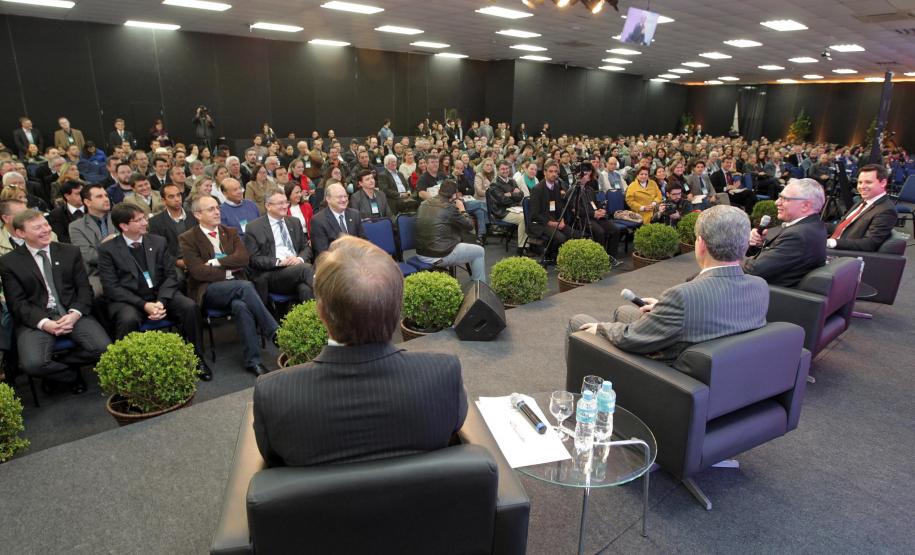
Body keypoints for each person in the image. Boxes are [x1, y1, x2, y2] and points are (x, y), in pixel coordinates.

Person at [252, 235, 467, 466]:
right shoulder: (444, 375)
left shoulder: (274, 395)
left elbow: (272, 462)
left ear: (321, 313)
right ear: (399, 308)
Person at [569, 205, 768, 363]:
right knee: (624, 311)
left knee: (579, 322)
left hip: (667, 375)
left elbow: (631, 338)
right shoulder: (759, 286)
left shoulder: (683, 297)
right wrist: (663, 309)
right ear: (744, 244)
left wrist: (601, 328)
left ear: (701, 244)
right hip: (720, 371)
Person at [0, 209, 111, 393]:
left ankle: (58, 364)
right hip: (36, 319)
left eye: (46, 224)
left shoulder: (69, 252)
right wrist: (45, 323)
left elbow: (84, 289)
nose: (46, 230)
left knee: (104, 348)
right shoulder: (10, 262)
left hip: (72, 313)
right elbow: (17, 304)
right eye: (37, 228)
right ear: (20, 233)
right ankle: (70, 376)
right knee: (33, 364)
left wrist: (74, 314)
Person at [98, 204, 209, 379]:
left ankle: (197, 358)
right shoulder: (108, 250)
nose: (145, 222)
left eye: (144, 217)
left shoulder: (158, 242)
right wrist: (144, 305)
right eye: (138, 220)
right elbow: (111, 287)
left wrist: (160, 302)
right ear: (124, 226)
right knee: (128, 320)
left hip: (160, 295)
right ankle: (130, 372)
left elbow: (171, 276)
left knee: (189, 307)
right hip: (130, 300)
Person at [179, 195, 279, 377]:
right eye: (211, 209)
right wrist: (228, 271)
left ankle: (253, 361)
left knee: (241, 306)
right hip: (208, 290)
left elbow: (243, 258)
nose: (217, 212)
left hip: (235, 286)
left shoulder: (230, 232)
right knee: (245, 287)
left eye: (217, 208)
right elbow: (198, 272)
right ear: (198, 215)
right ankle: (274, 332)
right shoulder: (188, 238)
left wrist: (216, 263)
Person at [743, 178, 827, 287]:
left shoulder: (797, 236)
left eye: (785, 199)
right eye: (779, 197)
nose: (777, 202)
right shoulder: (814, 225)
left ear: (805, 205)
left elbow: (753, 270)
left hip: (767, 292)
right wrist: (760, 244)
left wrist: (728, 257)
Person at [243, 191, 315, 303]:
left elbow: (306, 247)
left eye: (286, 202)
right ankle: (331, 296)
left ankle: (316, 314)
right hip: (273, 273)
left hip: (297, 269)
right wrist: (279, 262)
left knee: (305, 289)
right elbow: (254, 259)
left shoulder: (294, 222)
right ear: (268, 206)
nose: (285, 206)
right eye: (280, 203)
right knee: (305, 269)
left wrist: (299, 259)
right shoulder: (254, 227)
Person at [415, 180, 487, 283]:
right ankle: (480, 286)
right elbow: (470, 226)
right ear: (454, 195)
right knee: (479, 251)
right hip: (438, 255)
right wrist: (462, 209)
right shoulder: (449, 207)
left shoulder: (423, 203)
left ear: (439, 191)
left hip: (420, 253)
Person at [826, 164, 897, 251]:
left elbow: (869, 244)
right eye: (860, 182)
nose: (862, 187)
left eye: (868, 182)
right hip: (834, 244)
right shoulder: (864, 200)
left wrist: (830, 242)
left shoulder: (886, 210)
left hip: (843, 253)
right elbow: (844, 227)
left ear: (883, 183)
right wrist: (818, 226)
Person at [69, 184, 116, 297]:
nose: (106, 199)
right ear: (87, 202)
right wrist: (105, 244)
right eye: (99, 196)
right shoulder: (76, 226)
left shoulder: (119, 217)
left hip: (126, 268)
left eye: (106, 195)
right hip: (97, 273)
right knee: (94, 292)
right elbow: (89, 256)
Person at [149, 183, 197, 275]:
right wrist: (177, 262)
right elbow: (158, 250)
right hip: (174, 264)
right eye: (171, 197)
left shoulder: (194, 216)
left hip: (197, 259)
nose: (177, 199)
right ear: (163, 201)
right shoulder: (155, 222)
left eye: (178, 195)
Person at [310, 182, 366, 260]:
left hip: (357, 259)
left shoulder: (354, 214)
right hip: (334, 262)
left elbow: (363, 240)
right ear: (328, 199)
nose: (344, 200)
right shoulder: (318, 220)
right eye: (339, 197)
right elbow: (323, 252)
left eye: (345, 196)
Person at [530, 160, 574, 258]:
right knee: (561, 238)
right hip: (542, 223)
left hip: (555, 220)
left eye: (555, 171)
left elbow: (559, 207)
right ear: (544, 172)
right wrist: (551, 223)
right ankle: (551, 256)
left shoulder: (557, 186)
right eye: (551, 171)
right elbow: (535, 215)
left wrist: (561, 220)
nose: (554, 174)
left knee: (573, 234)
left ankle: (562, 257)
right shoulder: (537, 189)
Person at [487, 160, 528, 253]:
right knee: (523, 218)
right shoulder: (494, 184)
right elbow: (502, 200)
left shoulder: (512, 181)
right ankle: (522, 247)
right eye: (502, 169)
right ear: (498, 170)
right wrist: (514, 194)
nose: (505, 171)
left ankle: (529, 243)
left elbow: (521, 195)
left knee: (529, 214)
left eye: (507, 168)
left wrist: (510, 194)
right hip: (502, 211)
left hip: (514, 208)